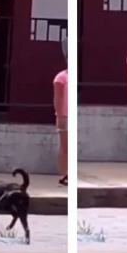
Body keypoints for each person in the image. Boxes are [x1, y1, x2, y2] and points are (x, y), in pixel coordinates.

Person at [54, 38, 68, 186]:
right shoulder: (61, 77)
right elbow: (58, 99)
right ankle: (64, 174)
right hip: (65, 115)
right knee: (65, 147)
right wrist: (59, 116)